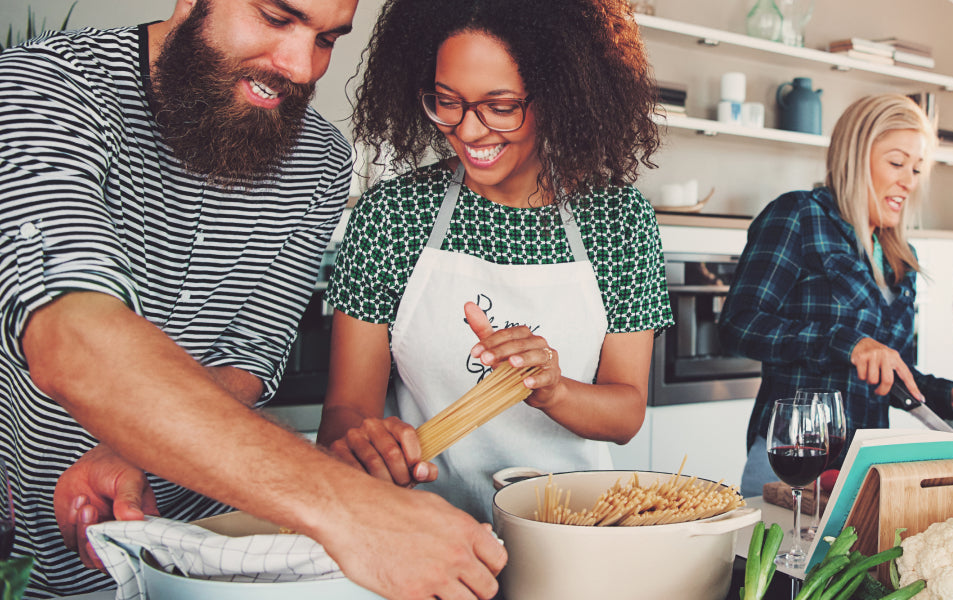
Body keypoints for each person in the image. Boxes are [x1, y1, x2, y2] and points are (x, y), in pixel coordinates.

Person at [1, 0, 512, 598]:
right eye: (275, 18)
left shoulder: (319, 160)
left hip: (217, 553)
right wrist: (354, 510)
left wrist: (131, 441)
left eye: (327, 39)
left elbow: (250, 357)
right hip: (36, 550)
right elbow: (73, 340)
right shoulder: (42, 90)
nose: (300, 67)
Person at [315, 0, 671, 524]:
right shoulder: (392, 216)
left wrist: (553, 386)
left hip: (568, 529)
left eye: (500, 106)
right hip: (424, 527)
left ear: (558, 94)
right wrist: (365, 447)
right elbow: (345, 410)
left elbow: (625, 413)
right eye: (446, 101)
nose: (469, 130)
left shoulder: (619, 222)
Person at [719, 94, 953, 497]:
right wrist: (847, 343)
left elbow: (890, 373)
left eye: (916, 169)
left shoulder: (900, 256)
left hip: (866, 466)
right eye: (896, 163)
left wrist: (951, 397)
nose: (909, 181)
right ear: (854, 156)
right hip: (795, 460)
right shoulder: (798, 216)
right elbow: (739, 325)